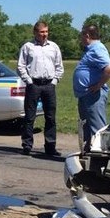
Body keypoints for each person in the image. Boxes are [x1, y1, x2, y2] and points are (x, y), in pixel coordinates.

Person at [17, 21, 64, 156]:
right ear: (35, 32)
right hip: (34, 85)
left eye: (46, 32)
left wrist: (54, 81)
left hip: (49, 85)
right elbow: (21, 66)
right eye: (42, 32)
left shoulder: (54, 47)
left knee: (50, 117)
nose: (44, 34)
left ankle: (50, 146)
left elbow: (59, 66)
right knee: (29, 117)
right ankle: (27, 145)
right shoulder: (28, 47)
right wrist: (29, 81)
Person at [73, 24, 110, 151]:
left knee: (97, 128)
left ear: (87, 35)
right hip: (85, 95)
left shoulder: (97, 49)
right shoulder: (90, 50)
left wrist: (98, 85)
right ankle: (88, 153)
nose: (81, 38)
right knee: (86, 126)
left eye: (81, 35)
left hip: (94, 96)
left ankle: (102, 156)